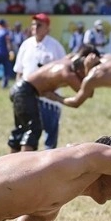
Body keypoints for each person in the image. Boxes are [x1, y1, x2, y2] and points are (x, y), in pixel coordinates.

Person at [8, 51, 89, 153]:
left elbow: (76, 53)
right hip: (26, 91)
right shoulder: (68, 74)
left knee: (21, 129)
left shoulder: (66, 60)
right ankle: (25, 165)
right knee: (33, 129)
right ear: (80, 71)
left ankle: (12, 162)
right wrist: (57, 98)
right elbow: (87, 92)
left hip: (21, 89)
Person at [11, 13, 67, 152]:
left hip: (48, 99)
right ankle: (19, 165)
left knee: (49, 136)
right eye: (33, 24)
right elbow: (19, 71)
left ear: (47, 28)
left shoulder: (55, 46)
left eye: (39, 25)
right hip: (26, 96)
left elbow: (65, 72)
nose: (35, 27)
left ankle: (47, 167)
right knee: (24, 133)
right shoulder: (26, 44)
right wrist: (18, 94)